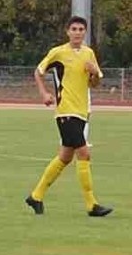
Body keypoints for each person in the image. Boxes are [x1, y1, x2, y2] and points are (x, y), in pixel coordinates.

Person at [25, 16, 112, 217]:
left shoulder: (89, 53)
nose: (78, 32)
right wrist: (44, 94)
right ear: (67, 31)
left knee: (65, 157)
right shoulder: (58, 52)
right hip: (65, 111)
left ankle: (36, 196)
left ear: (85, 32)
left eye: (81, 29)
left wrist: (93, 74)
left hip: (81, 111)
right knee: (84, 154)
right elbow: (38, 72)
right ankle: (92, 205)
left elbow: (96, 83)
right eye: (74, 28)